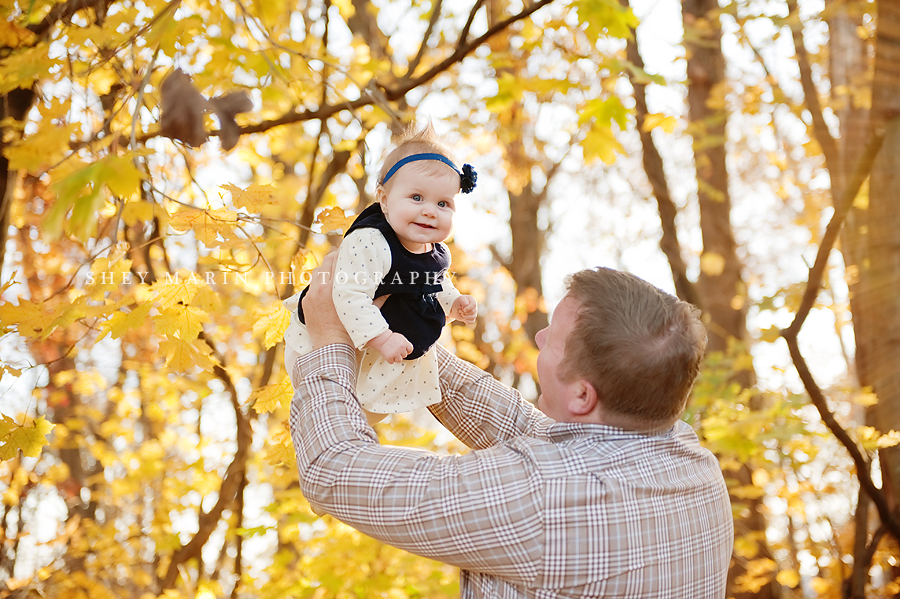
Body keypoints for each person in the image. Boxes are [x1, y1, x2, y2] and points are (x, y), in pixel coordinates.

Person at [290, 254, 734, 598]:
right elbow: (528, 430)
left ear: (583, 395)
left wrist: (328, 338)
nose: (539, 339)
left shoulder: (541, 501)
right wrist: (402, 340)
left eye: (553, 340)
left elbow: (333, 468)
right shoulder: (690, 460)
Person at [283, 122, 478, 424]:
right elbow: (349, 294)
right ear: (384, 200)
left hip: (379, 361)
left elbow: (433, 283)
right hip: (319, 344)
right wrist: (382, 337)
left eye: (443, 203)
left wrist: (454, 303)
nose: (430, 210)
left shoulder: (436, 252)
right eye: (416, 198)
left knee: (369, 415)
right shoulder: (371, 240)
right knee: (340, 415)